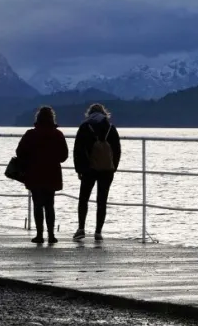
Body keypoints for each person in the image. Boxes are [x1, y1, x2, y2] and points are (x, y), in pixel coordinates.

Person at [16, 106, 69, 244]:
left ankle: (39, 235)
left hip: (34, 173)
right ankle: (51, 235)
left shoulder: (30, 134)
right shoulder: (58, 134)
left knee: (37, 204)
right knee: (50, 204)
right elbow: (64, 156)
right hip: (52, 174)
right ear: (52, 118)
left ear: (37, 118)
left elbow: (19, 152)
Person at [72, 103, 121, 241]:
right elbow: (117, 150)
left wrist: (79, 169)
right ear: (104, 113)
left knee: (83, 199)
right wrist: (113, 167)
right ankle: (98, 232)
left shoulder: (85, 127)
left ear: (89, 113)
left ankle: (81, 229)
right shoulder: (110, 128)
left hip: (88, 169)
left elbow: (78, 150)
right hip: (107, 169)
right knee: (102, 201)